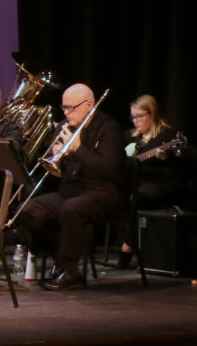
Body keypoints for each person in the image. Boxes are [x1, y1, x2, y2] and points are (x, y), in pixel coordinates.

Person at [11, 83, 127, 290]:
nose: (66, 113)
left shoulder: (110, 129)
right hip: (71, 191)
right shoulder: (64, 126)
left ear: (90, 105)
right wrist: (57, 155)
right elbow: (59, 171)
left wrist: (79, 149)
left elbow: (110, 170)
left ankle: (69, 271)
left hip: (103, 192)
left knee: (71, 209)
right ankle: (62, 260)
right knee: (27, 211)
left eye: (71, 108)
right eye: (64, 108)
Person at [119, 94, 194, 267]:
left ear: (152, 114)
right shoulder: (131, 136)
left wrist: (165, 156)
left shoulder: (167, 136)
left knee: (136, 198)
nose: (135, 121)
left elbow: (184, 160)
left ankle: (128, 246)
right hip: (138, 183)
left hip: (163, 184)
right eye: (133, 117)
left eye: (140, 116)